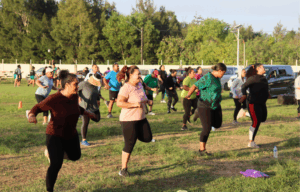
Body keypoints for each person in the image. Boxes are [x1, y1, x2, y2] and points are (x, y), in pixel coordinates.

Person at [27, 70, 97, 192]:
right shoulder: (54, 99)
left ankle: (53, 154)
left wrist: (88, 114)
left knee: (76, 156)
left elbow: (76, 108)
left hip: (71, 134)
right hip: (55, 135)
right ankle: (50, 189)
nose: (78, 85)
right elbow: (38, 107)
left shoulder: (74, 96)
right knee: (56, 164)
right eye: (76, 84)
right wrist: (32, 115)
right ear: (67, 85)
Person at [116, 65, 153, 177]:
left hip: (141, 118)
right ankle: (123, 169)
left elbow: (142, 97)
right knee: (129, 144)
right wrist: (133, 105)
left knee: (148, 138)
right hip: (128, 120)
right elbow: (119, 103)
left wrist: (147, 102)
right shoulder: (126, 87)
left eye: (140, 74)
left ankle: (132, 135)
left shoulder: (140, 85)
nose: (140, 76)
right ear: (130, 75)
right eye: (138, 74)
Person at [185, 63, 227, 155]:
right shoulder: (208, 77)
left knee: (217, 124)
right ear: (219, 71)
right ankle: (202, 150)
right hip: (204, 105)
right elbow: (194, 86)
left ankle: (198, 113)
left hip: (215, 105)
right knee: (206, 128)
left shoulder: (217, 78)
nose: (223, 75)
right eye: (223, 73)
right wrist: (188, 95)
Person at [239, 64, 269, 148]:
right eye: (262, 67)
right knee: (256, 122)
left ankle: (245, 114)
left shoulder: (263, 78)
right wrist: (244, 95)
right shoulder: (253, 78)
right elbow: (243, 86)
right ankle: (251, 142)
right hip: (253, 103)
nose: (264, 68)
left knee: (263, 118)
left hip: (262, 103)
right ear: (258, 69)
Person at [78, 74, 102, 146]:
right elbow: (75, 91)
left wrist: (98, 100)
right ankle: (84, 140)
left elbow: (97, 94)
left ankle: (86, 115)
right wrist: (79, 98)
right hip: (85, 107)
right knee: (85, 122)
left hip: (94, 107)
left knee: (97, 119)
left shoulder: (96, 86)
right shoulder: (83, 84)